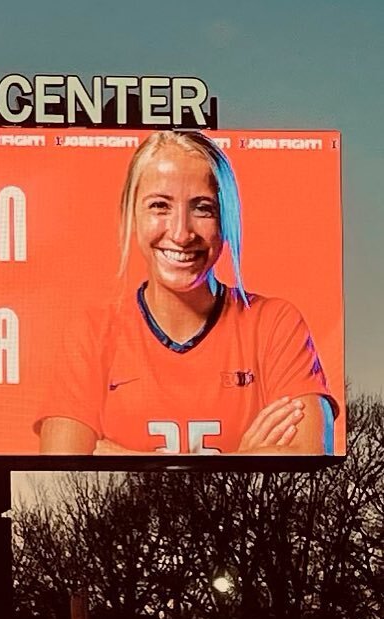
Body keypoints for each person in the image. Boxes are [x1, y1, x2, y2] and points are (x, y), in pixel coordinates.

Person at [35, 130, 337, 456]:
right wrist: (244, 460)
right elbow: (63, 474)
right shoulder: (92, 334)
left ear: (227, 219)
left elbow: (310, 462)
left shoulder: (274, 324)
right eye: (159, 206)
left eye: (202, 208)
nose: (181, 233)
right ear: (131, 214)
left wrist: (128, 460)